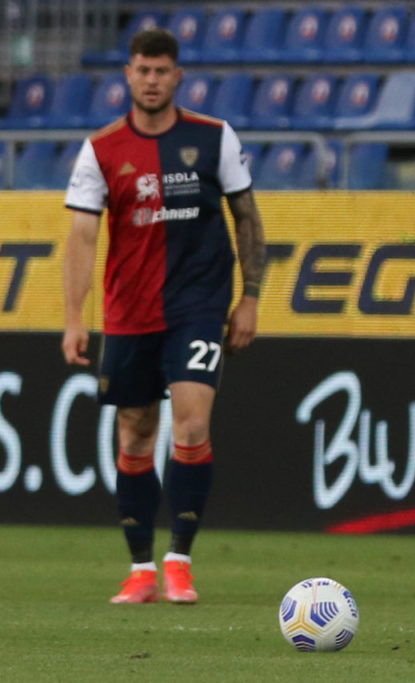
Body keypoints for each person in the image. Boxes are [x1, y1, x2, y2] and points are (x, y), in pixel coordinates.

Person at [62, 28, 265, 605]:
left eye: (161, 71)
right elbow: (80, 235)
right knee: (135, 430)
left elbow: (247, 217)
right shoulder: (100, 149)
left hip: (198, 306)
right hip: (129, 311)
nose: (151, 80)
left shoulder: (213, 137)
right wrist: (75, 318)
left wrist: (249, 296)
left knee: (193, 424)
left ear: (178, 76)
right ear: (128, 75)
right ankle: (140, 568)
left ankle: (179, 559)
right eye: (142, 70)